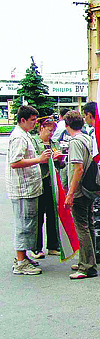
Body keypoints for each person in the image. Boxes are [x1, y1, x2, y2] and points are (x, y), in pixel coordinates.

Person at [7, 105, 51, 275]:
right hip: (22, 188)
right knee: (24, 225)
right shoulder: (19, 137)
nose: (35, 124)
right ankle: (20, 262)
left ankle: (23, 257)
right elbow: (15, 162)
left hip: (30, 187)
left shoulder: (25, 135)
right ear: (23, 120)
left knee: (29, 223)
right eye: (32, 121)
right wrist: (38, 159)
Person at [64, 111, 99, 279]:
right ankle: (89, 259)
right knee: (89, 225)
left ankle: (86, 266)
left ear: (67, 125)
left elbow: (78, 168)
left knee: (82, 227)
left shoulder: (75, 142)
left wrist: (70, 194)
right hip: (88, 187)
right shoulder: (87, 138)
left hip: (79, 189)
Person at [82, 102, 100, 264]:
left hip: (99, 181)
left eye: (85, 115)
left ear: (89, 114)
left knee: (97, 218)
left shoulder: (97, 132)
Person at [30, 115, 62, 258]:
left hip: (52, 181)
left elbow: (60, 164)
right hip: (39, 181)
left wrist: (60, 159)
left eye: (53, 131)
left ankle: (53, 245)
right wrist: (44, 158)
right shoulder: (33, 142)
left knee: (53, 214)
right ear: (41, 128)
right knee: (38, 216)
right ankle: (36, 247)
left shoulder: (54, 142)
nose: (51, 133)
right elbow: (33, 159)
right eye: (49, 130)